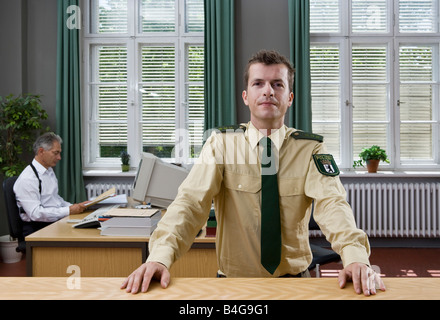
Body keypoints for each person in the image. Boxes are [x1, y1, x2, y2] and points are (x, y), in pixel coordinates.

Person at [122, 50, 385, 296]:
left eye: (278, 84)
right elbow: (190, 204)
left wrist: (355, 257)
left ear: (290, 98)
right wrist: (160, 256)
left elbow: (333, 204)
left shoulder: (311, 148)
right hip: (234, 285)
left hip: (295, 284)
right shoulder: (221, 144)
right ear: (246, 96)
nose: (268, 91)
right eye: (258, 83)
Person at [14, 132, 89, 237]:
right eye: (55, 153)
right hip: (36, 229)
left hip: (51, 222)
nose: (59, 157)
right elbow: (36, 214)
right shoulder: (28, 179)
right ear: (41, 151)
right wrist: (68, 210)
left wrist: (74, 206)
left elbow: (55, 199)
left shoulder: (49, 171)